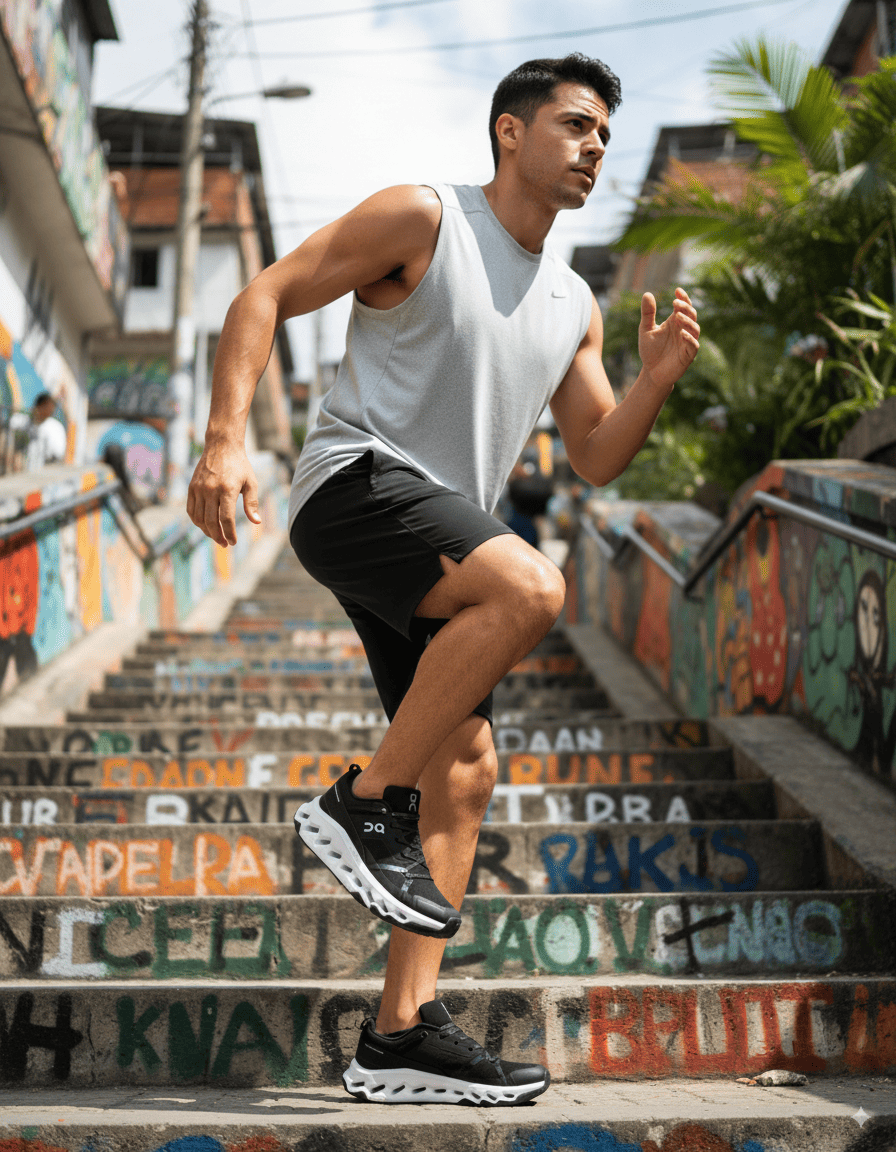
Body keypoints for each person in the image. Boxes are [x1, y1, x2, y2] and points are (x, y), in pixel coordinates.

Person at [186, 52, 699, 1106]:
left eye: (605, 134)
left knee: (465, 768)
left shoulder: (574, 303)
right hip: (354, 485)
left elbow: (595, 453)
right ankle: (364, 803)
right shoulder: (424, 219)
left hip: (439, 543)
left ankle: (398, 1035)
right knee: (533, 588)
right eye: (575, 124)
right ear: (510, 130)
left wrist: (649, 384)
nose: (594, 146)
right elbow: (263, 295)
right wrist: (225, 440)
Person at [10, 393, 67, 471]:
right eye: (45, 407)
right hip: (23, 471)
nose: (49, 411)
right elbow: (11, 424)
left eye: (51, 409)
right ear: (38, 406)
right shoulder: (25, 421)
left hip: (43, 472)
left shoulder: (55, 428)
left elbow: (57, 455)